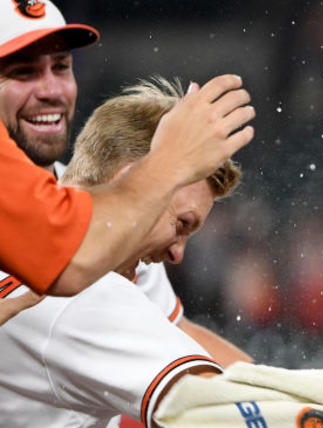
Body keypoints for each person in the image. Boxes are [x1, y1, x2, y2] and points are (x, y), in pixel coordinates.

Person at [0, 78, 241, 428]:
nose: (178, 253)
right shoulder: (60, 270)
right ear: (137, 182)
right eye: (181, 224)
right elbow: (205, 397)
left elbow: (190, 344)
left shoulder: (129, 264)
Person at [0, 0, 255, 310]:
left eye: (61, 67)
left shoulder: (91, 202)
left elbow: (178, 329)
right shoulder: (115, 209)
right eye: (23, 72)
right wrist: (171, 159)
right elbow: (72, 259)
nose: (52, 90)